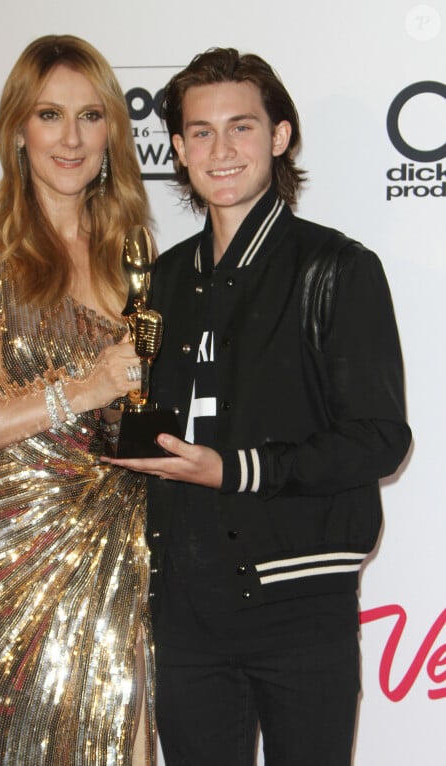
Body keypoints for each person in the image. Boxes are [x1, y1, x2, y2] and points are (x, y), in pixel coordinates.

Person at [104, 48, 412, 765]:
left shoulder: (337, 268)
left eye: (242, 127)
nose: (222, 150)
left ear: (280, 136)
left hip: (299, 611)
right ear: (176, 149)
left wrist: (234, 469)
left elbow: (378, 439)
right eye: (201, 133)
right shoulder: (160, 281)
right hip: (184, 615)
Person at [0, 35, 156, 766]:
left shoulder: (136, 255)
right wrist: (82, 389)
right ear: (18, 130)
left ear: (113, 130)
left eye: (91, 116)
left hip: (115, 553)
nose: (72, 137)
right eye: (50, 115)